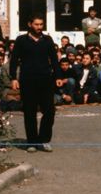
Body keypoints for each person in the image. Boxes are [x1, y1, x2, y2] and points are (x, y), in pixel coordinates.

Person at [9, 13, 63, 153]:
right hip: (28, 80)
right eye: (36, 24)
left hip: (45, 79)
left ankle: (44, 140)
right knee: (29, 111)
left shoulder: (47, 40)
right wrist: (13, 78)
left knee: (49, 111)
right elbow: (14, 60)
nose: (39, 27)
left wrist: (58, 76)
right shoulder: (21, 40)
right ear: (29, 24)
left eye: (41, 24)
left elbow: (54, 60)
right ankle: (32, 142)